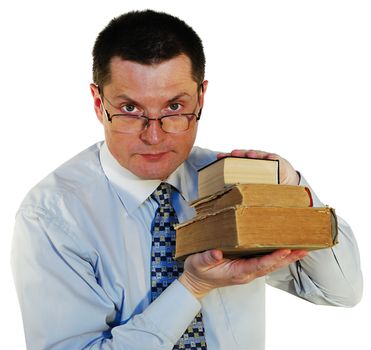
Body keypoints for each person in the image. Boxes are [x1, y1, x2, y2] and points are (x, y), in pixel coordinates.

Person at [11, 9, 362, 350]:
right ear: (97, 103)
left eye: (175, 108)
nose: (154, 136)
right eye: (130, 109)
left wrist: (293, 189)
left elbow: (341, 290)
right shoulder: (52, 215)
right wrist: (192, 285)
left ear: (201, 97)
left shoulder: (229, 182)